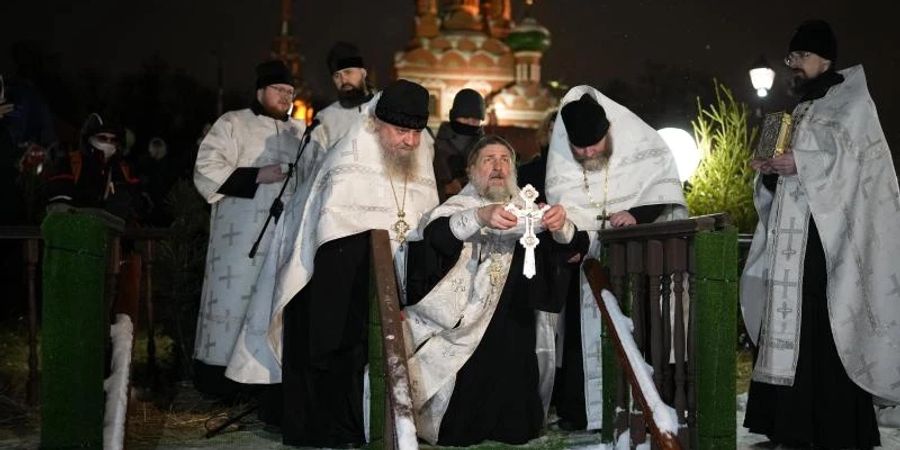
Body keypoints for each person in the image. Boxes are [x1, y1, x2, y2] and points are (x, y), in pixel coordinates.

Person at [225, 79, 438, 448]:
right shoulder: (348, 158)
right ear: (377, 123)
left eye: (417, 133)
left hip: (387, 282)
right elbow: (329, 232)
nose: (410, 142)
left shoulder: (417, 159)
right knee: (336, 355)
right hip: (332, 279)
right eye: (402, 131)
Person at [741, 20, 899, 448]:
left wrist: (801, 163)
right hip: (791, 243)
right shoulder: (796, 110)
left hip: (829, 243)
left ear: (825, 59)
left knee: (824, 327)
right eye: (791, 57)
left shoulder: (852, 105)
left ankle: (834, 427)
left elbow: (855, 166)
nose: (794, 65)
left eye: (802, 57)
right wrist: (769, 173)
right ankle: (788, 423)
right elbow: (780, 176)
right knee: (790, 323)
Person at [404, 135, 586, 446]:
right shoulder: (459, 207)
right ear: (471, 169)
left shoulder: (530, 210)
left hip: (519, 321)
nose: (498, 166)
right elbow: (434, 238)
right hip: (466, 324)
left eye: (505, 159)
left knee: (517, 426)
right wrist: (480, 217)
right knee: (460, 427)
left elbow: (573, 250)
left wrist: (561, 225)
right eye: (489, 159)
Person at [544, 86, 688, 431]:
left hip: (640, 262)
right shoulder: (562, 159)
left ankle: (644, 406)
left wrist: (636, 214)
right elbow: (566, 213)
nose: (589, 152)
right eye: (581, 148)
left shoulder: (640, 139)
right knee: (586, 340)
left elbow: (665, 188)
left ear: (608, 131)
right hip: (589, 269)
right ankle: (586, 412)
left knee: (643, 331)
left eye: (594, 143)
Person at [191, 60, 315, 398]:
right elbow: (206, 169)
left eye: (290, 92)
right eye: (279, 90)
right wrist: (257, 174)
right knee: (234, 305)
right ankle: (222, 385)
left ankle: (270, 385)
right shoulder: (233, 123)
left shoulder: (301, 132)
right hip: (240, 238)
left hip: (284, 236)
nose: (286, 97)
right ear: (260, 90)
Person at [43, 113, 143, 222]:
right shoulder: (72, 162)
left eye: (113, 139)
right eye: (102, 137)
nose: (108, 143)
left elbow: (134, 200)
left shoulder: (122, 168)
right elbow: (59, 198)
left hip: (113, 231)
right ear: (89, 138)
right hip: (79, 228)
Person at [314, 41, 376, 151]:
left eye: (348, 72)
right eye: (337, 76)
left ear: (363, 73)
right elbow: (315, 164)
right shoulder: (325, 119)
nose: (343, 80)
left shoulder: (384, 107)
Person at [433, 88, 486, 201]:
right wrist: (445, 189)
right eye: (465, 118)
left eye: (475, 120)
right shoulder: (433, 147)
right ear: (454, 117)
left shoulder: (486, 148)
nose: (470, 123)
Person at [517, 108, 557, 203]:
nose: (556, 136)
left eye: (561, 132)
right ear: (546, 133)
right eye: (552, 130)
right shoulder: (525, 173)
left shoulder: (580, 171)